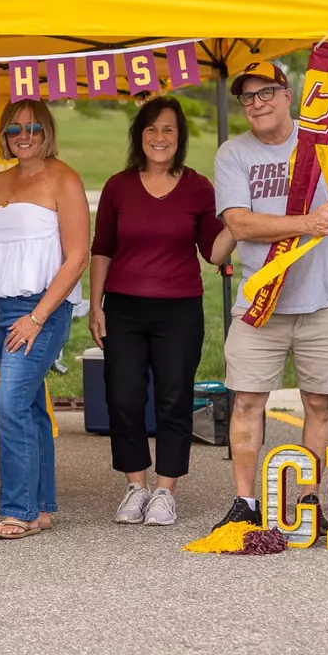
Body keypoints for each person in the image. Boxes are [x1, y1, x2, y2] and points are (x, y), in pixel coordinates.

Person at [211, 61, 328, 530]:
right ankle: (246, 503)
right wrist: (308, 224)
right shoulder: (232, 153)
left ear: (288, 95)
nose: (257, 104)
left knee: (320, 404)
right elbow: (239, 223)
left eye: (266, 94)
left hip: (323, 300)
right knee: (246, 402)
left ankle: (307, 500)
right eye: (247, 98)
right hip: (260, 301)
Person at [90, 96, 234, 528]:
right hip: (124, 309)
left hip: (179, 311)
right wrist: (96, 305)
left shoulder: (198, 188)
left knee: (174, 399)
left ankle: (166, 491)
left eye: (168, 129)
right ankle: (136, 486)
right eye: (151, 129)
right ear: (139, 136)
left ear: (180, 137)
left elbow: (213, 252)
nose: (159, 137)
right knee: (124, 398)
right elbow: (102, 249)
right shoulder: (118, 186)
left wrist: (242, 224)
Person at [0, 100, 88, 540]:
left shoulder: (64, 179)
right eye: (14, 130)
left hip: (39, 309)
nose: (24, 136)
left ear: (46, 131)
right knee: (28, 408)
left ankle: (18, 511)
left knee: (9, 405)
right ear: (4, 135)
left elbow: (77, 257)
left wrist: (36, 317)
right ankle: (42, 507)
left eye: (32, 127)